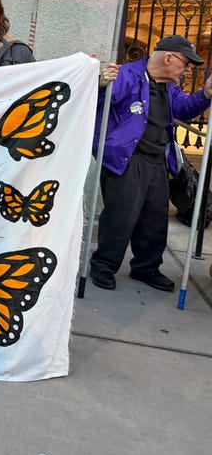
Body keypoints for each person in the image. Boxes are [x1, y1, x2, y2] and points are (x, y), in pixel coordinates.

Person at [90, 35, 212, 292]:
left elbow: (184, 109)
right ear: (169, 58)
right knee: (121, 217)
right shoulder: (126, 75)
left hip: (157, 159)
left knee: (155, 219)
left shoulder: (170, 87)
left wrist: (206, 95)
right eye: (185, 64)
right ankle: (103, 265)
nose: (186, 70)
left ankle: (146, 267)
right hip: (126, 159)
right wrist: (100, 84)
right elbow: (98, 105)